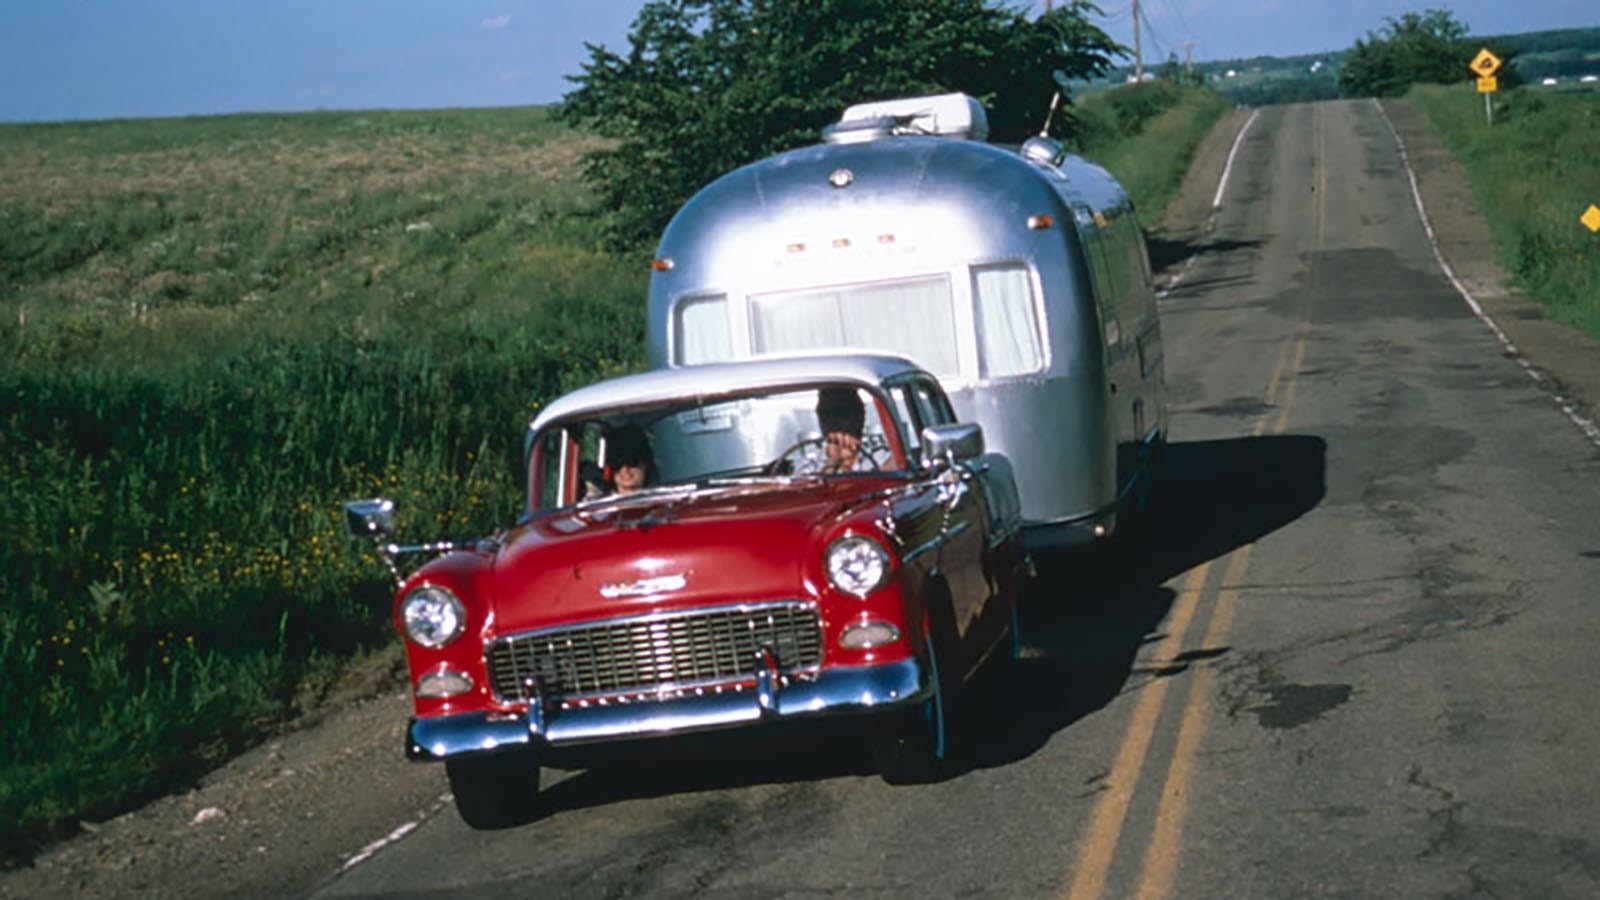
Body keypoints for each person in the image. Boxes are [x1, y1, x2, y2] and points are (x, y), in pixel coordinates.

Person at [813, 387, 872, 474]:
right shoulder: (808, 464)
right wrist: (833, 463)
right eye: (833, 441)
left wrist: (847, 464)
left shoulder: (877, 459)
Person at [607, 424, 654, 494]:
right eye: (616, 463)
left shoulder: (667, 500)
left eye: (631, 461)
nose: (624, 469)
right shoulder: (597, 504)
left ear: (645, 462)